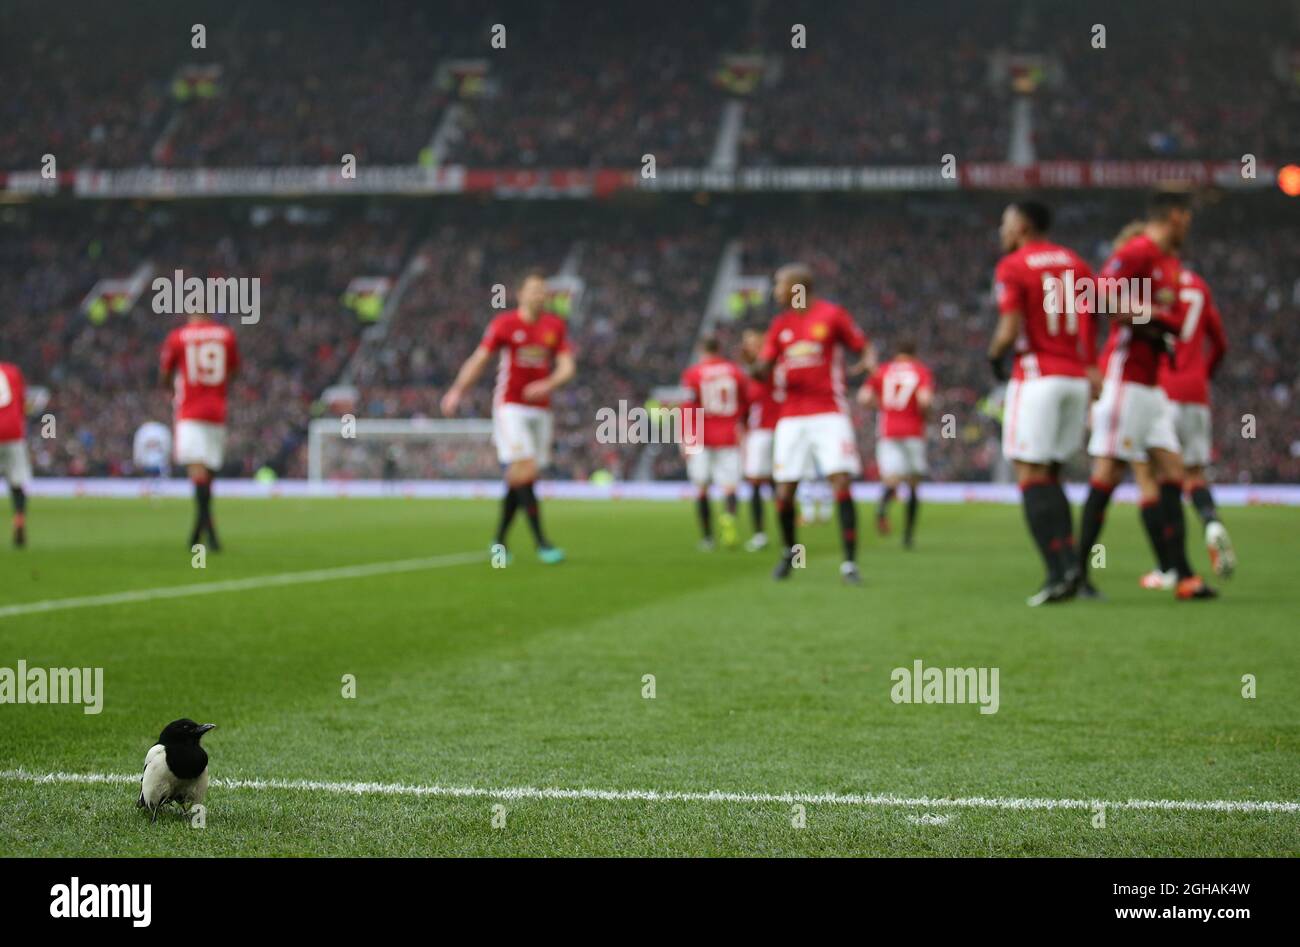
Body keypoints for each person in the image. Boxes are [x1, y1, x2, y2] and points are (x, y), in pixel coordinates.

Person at [750, 263, 874, 584]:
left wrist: (868, 365)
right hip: (790, 417)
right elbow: (764, 367)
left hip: (829, 413)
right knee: (786, 489)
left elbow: (862, 346)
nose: (776, 290)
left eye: (779, 284)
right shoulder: (780, 326)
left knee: (840, 482)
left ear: (797, 287)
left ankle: (849, 564)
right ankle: (790, 554)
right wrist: (754, 365)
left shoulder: (832, 315)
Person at [441, 269, 575, 563]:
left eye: (543, 290)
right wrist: (456, 391)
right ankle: (543, 544)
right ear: (521, 294)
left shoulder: (555, 326)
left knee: (522, 477)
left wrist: (548, 383)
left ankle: (499, 541)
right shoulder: (504, 324)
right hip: (510, 406)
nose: (539, 295)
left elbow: (567, 367)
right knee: (524, 468)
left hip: (541, 410)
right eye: (534, 290)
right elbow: (479, 359)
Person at [159, 312, 240, 551]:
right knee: (209, 471)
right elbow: (233, 370)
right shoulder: (226, 335)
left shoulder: (179, 337)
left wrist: (171, 388)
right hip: (217, 410)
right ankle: (201, 531)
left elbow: (165, 372)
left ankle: (207, 534)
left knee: (197, 470)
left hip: (190, 411)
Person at [859, 339, 932, 549]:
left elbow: (864, 398)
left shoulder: (883, 370)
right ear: (914, 353)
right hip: (913, 431)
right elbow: (925, 400)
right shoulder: (920, 371)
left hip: (888, 430)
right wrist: (925, 417)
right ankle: (908, 536)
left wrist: (883, 406)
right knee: (913, 484)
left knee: (891, 479)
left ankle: (882, 507)